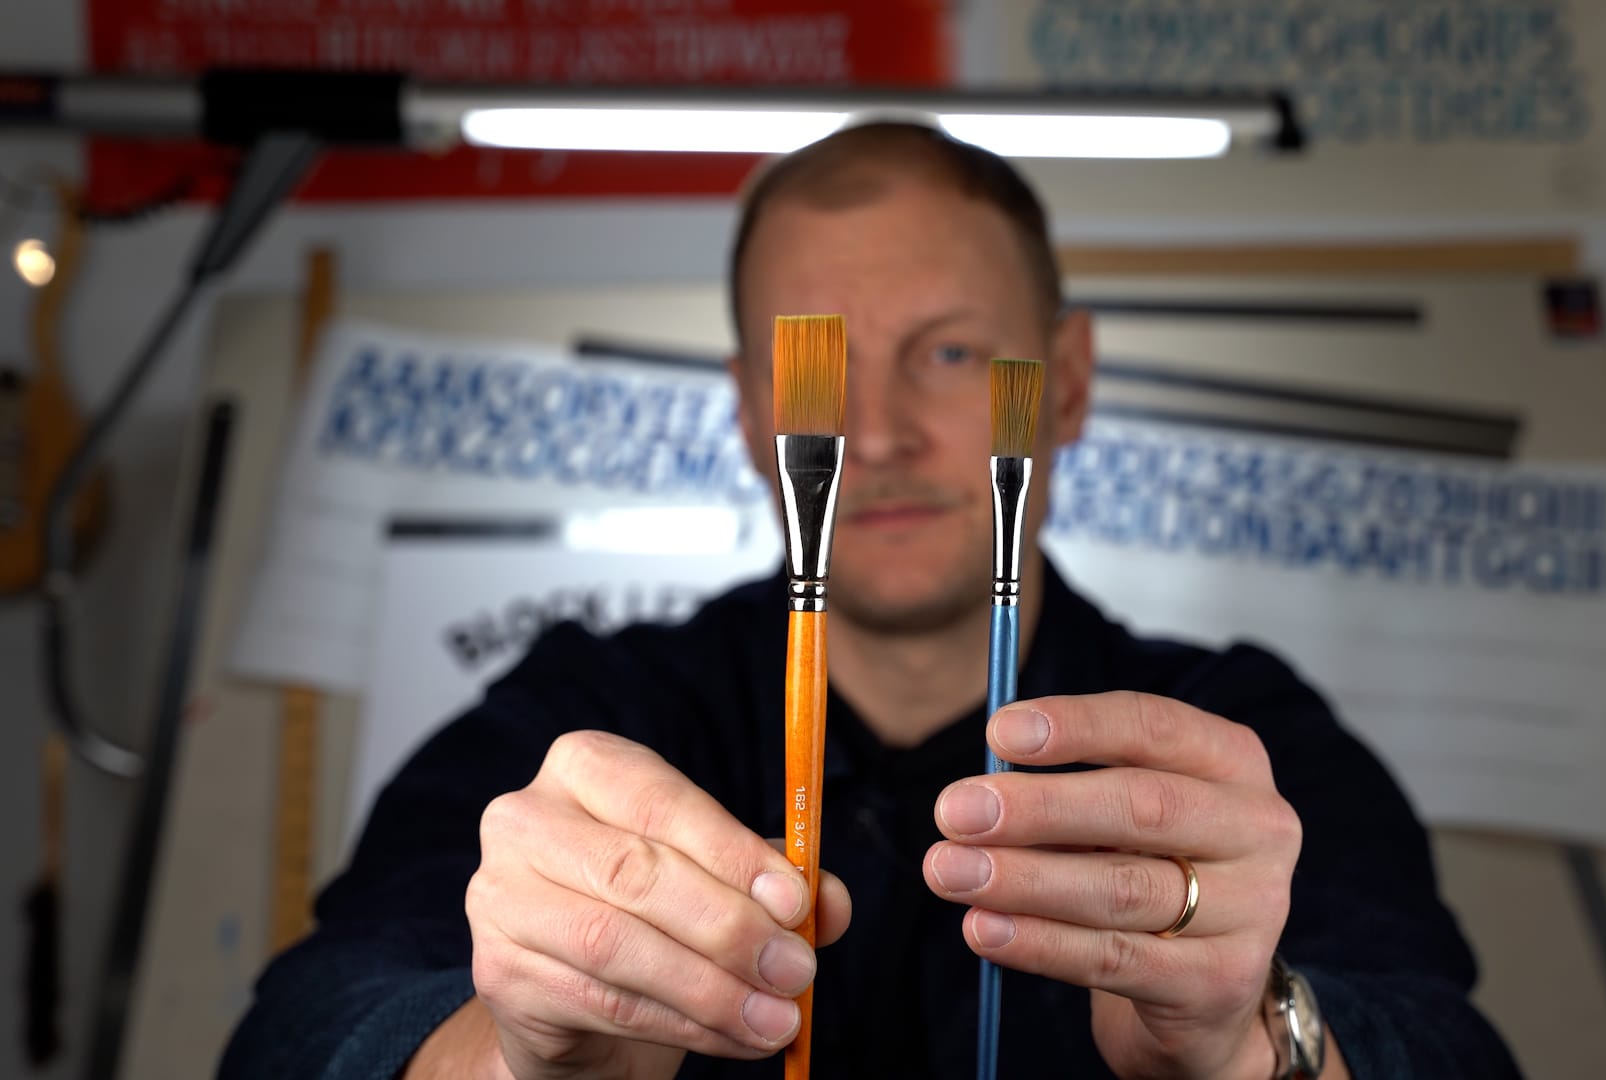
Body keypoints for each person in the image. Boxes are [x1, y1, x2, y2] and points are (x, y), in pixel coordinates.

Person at [219, 122, 1521, 1080]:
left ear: (1065, 382)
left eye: (949, 353)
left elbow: (1457, 1046)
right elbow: (289, 1034)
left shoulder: (1232, 736)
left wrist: (1259, 1047)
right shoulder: (589, 715)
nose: (882, 432)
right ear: (749, 410)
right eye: (822, 362)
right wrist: (512, 1052)